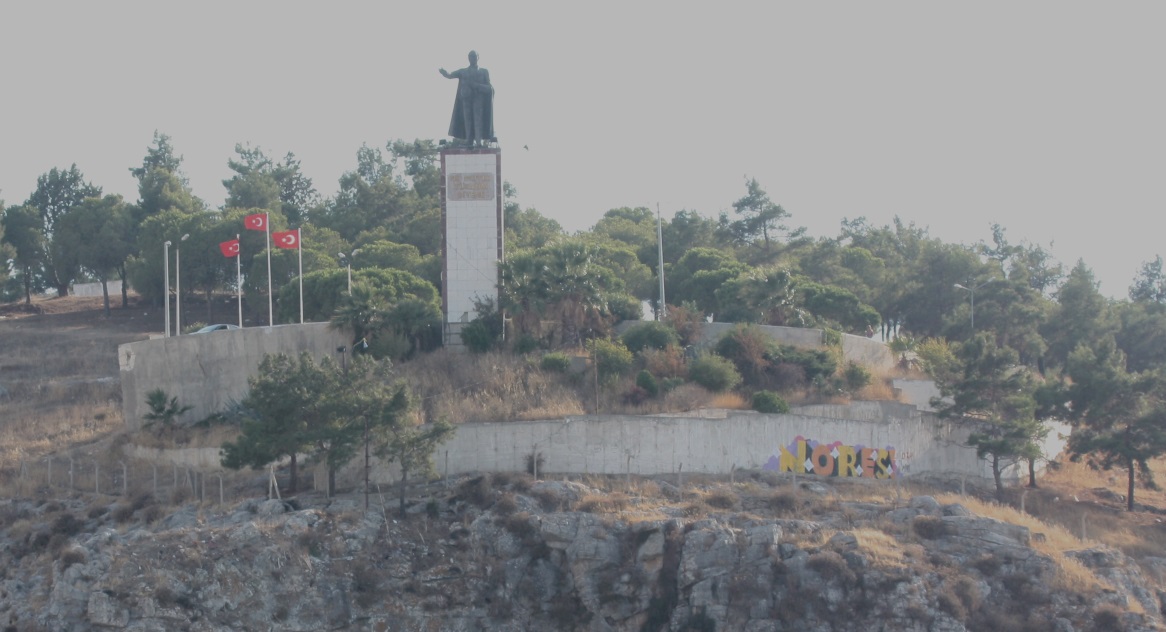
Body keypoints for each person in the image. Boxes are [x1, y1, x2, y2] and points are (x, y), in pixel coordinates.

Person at [439, 51, 495, 146]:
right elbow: (450, 75)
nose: (472, 58)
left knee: (478, 120)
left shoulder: (483, 71)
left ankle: (478, 141)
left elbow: (489, 88)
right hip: (466, 100)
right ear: (468, 58)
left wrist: (477, 86)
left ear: (478, 57)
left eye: (474, 56)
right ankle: (469, 140)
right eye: (470, 56)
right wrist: (444, 73)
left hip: (478, 100)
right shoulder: (463, 71)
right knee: (467, 120)